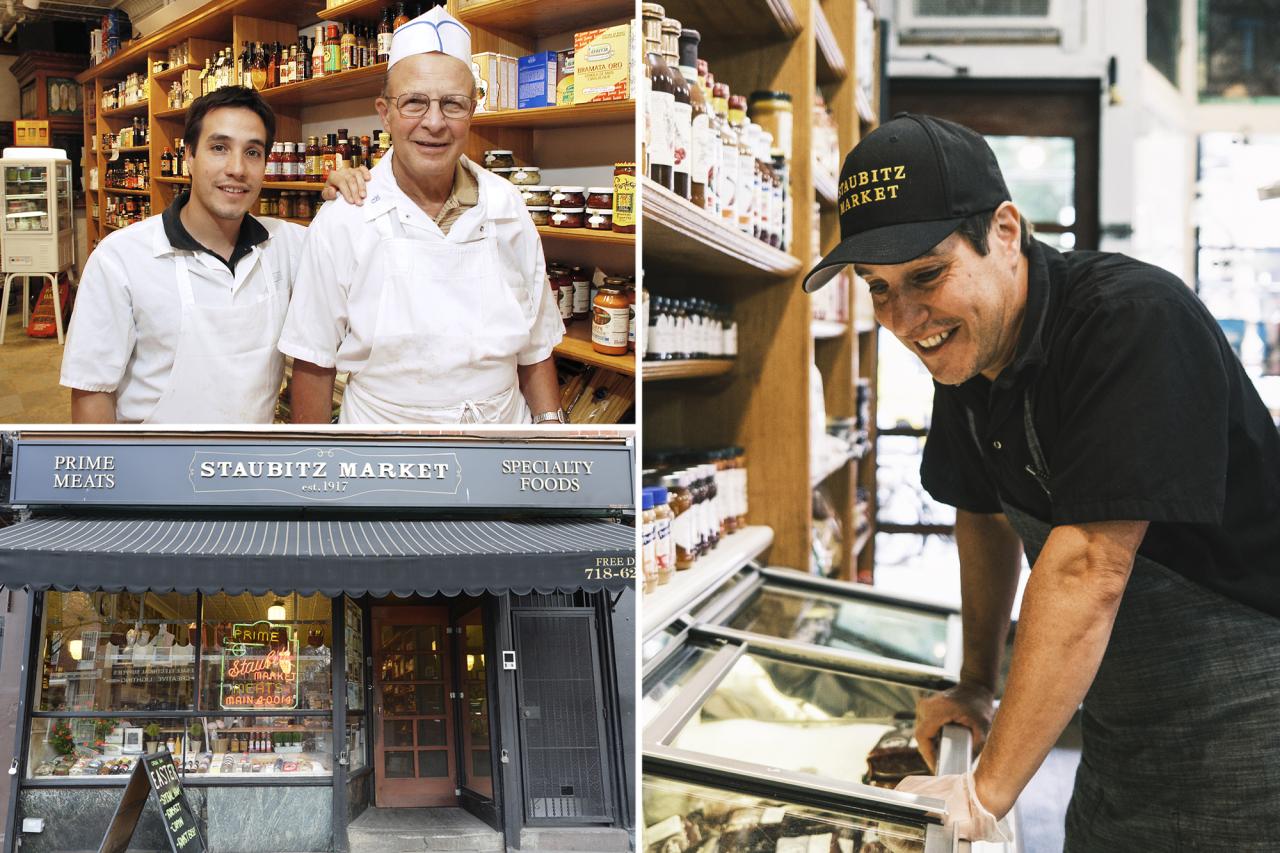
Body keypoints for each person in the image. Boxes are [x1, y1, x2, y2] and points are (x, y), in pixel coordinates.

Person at [803, 113, 1280, 849]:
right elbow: (984, 513)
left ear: (1005, 229)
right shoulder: (968, 350)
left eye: (925, 276)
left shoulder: (1130, 321)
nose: (903, 318)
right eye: (878, 288)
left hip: (1251, 719)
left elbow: (1090, 564)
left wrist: (985, 790)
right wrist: (975, 681)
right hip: (1119, 727)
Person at [279, 6, 564, 424]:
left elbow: (536, 348)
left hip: (502, 441)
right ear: (385, 113)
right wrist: (318, 473)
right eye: (414, 103)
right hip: (385, 453)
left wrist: (552, 437)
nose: (434, 122)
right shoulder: (345, 218)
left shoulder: (506, 205)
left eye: (453, 104)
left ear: (473, 110)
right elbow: (314, 363)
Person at [61, 86, 305, 424]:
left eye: (252, 152)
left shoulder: (288, 244)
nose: (237, 168)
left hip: (252, 464)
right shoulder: (120, 258)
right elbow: (92, 391)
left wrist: (348, 188)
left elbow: (357, 247)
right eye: (219, 148)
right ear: (188, 155)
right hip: (154, 466)